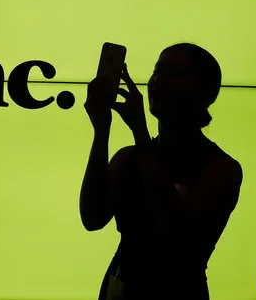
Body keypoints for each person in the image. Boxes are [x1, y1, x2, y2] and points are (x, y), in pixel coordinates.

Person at [80, 43, 243, 300]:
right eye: (158, 71)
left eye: (176, 74)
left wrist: (139, 131)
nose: (159, 81)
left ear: (205, 92)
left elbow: (174, 233)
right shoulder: (129, 157)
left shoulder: (222, 169)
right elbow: (92, 217)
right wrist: (101, 130)